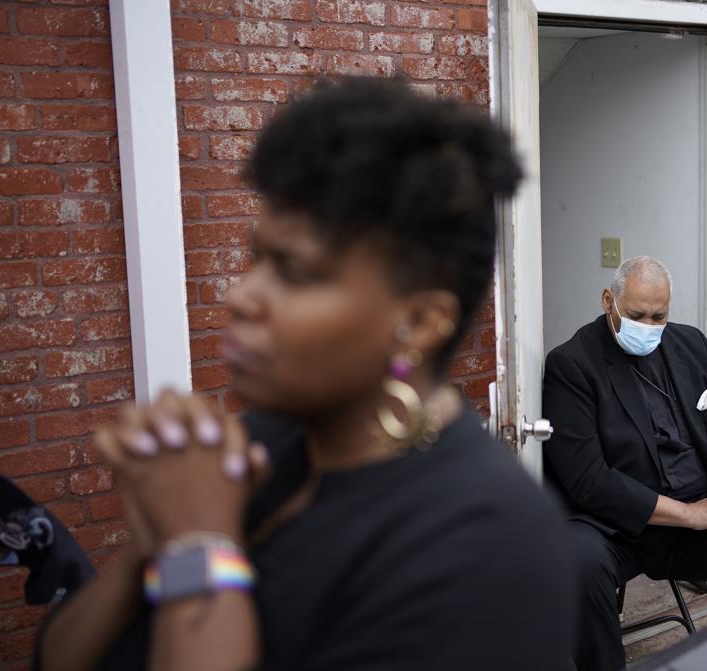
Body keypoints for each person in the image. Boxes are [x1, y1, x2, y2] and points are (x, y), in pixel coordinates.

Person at [35, 77, 575, 671]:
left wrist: (198, 546)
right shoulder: (265, 449)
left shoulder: (488, 545)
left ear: (420, 322)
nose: (242, 296)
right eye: (256, 258)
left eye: (294, 272)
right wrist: (158, 526)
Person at [542, 256, 707, 671]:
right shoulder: (572, 364)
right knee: (578, 561)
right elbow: (589, 480)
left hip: (694, 512)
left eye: (659, 316)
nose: (649, 326)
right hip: (616, 528)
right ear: (608, 301)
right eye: (637, 315)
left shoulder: (690, 344)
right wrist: (690, 515)